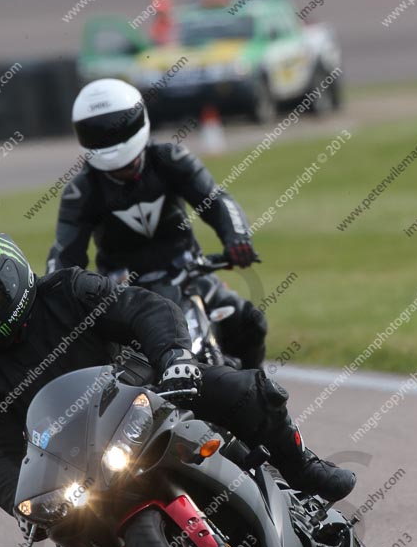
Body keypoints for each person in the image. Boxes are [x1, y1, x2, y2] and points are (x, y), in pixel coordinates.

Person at [0, 233, 355, 547]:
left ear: (13, 283)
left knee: (251, 392)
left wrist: (174, 357)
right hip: (79, 466)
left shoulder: (67, 289)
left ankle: (304, 468)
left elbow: (145, 309)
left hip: (151, 395)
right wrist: (23, 502)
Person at [46, 78, 268, 368]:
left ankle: (259, 392)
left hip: (189, 274)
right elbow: (65, 254)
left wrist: (237, 237)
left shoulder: (171, 159)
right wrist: (57, 296)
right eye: (98, 132)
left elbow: (216, 201)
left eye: (116, 129)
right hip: (122, 293)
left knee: (249, 320)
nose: (110, 141)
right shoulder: (81, 190)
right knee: (99, 362)